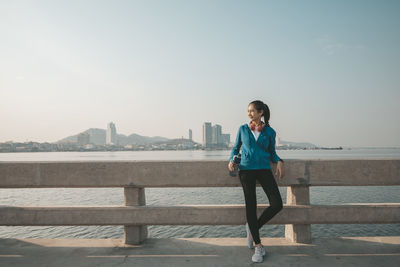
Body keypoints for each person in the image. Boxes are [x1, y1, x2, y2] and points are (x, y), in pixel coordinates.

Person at [228, 100, 285, 263]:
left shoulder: (270, 132)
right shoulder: (243, 129)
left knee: (277, 204)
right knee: (250, 206)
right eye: (248, 111)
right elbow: (235, 147)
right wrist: (231, 159)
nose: (249, 114)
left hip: (264, 170)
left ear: (261, 112)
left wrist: (280, 160)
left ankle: (252, 228)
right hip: (246, 170)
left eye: (252, 111)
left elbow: (272, 152)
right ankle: (258, 246)